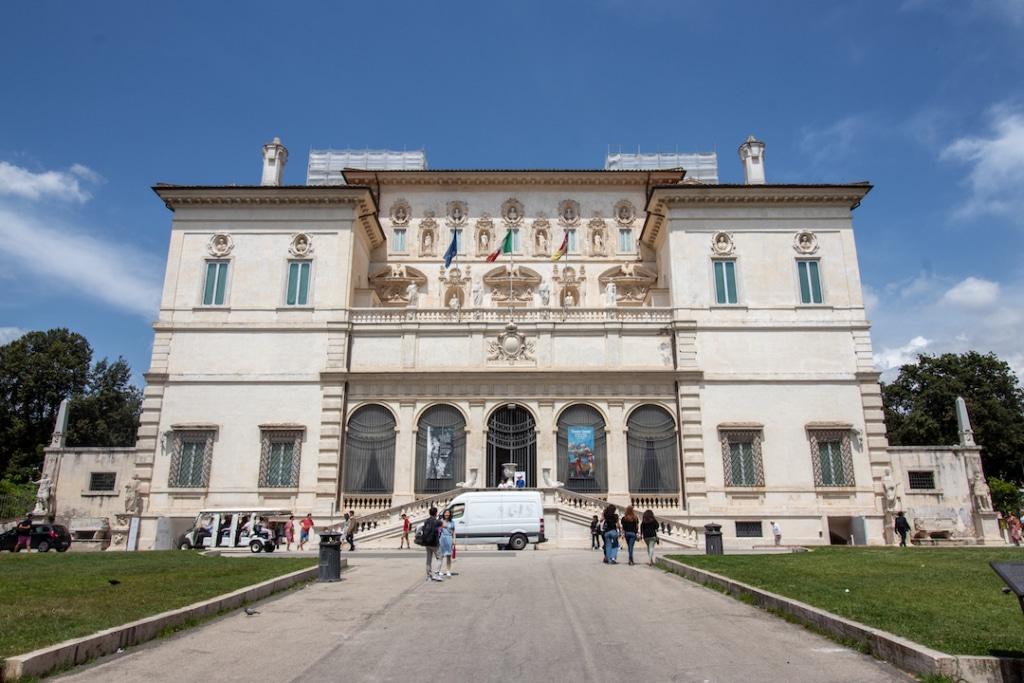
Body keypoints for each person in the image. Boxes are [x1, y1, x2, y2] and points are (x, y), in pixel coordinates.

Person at [422, 506, 443, 582]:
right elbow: (444, 525)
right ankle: (437, 574)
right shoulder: (437, 521)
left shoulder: (426, 521)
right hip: (435, 543)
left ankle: (429, 576)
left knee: (428, 560)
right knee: (439, 558)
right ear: (436, 513)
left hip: (427, 543)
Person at [438, 509, 456, 577]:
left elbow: (454, 531)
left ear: (450, 514)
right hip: (442, 538)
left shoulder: (452, 522)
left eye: (448, 513)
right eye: (445, 513)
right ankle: (439, 570)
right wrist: (442, 526)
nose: (447, 514)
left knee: (448, 556)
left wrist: (454, 540)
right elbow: (438, 530)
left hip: (449, 538)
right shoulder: (441, 521)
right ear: (444, 514)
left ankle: (448, 570)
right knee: (441, 555)